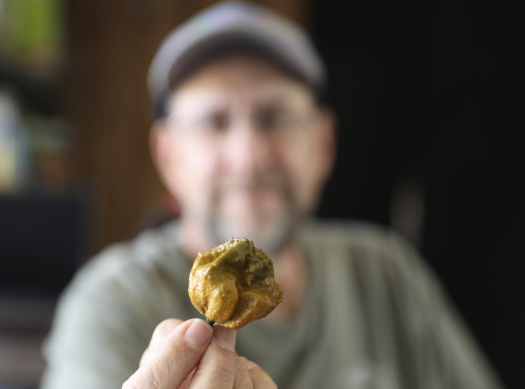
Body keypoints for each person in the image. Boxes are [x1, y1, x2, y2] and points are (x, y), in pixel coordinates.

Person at [40, 2, 502, 388]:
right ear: (168, 156)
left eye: (274, 116)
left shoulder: (387, 275)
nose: (249, 156)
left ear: (322, 144)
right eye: (214, 122)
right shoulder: (112, 303)